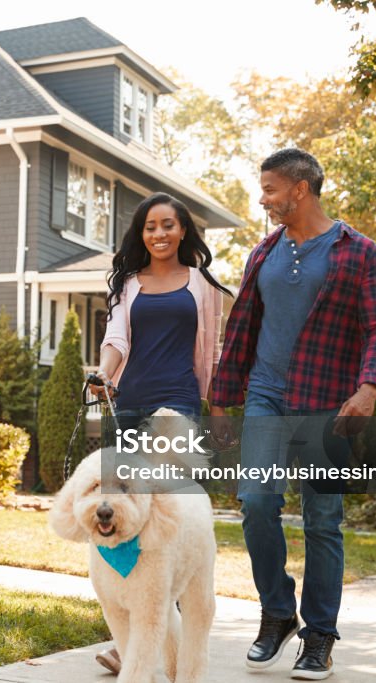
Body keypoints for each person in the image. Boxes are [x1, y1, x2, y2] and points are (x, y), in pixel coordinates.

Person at [209, 149, 376, 680]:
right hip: (266, 395)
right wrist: (222, 399)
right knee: (257, 504)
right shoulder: (263, 252)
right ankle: (276, 613)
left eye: (269, 189)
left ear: (300, 189)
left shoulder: (358, 252)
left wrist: (369, 388)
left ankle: (319, 636)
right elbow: (241, 331)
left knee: (321, 520)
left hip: (328, 402)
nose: (263, 199)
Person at [89, 191, 231, 675]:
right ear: (141, 233)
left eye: (168, 225)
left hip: (180, 406)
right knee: (128, 519)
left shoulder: (202, 285)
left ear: (184, 229)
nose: (159, 234)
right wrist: (103, 373)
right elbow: (115, 339)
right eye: (151, 226)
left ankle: (158, 635)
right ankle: (134, 639)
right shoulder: (128, 284)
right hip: (129, 404)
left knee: (169, 517)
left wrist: (220, 408)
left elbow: (212, 352)